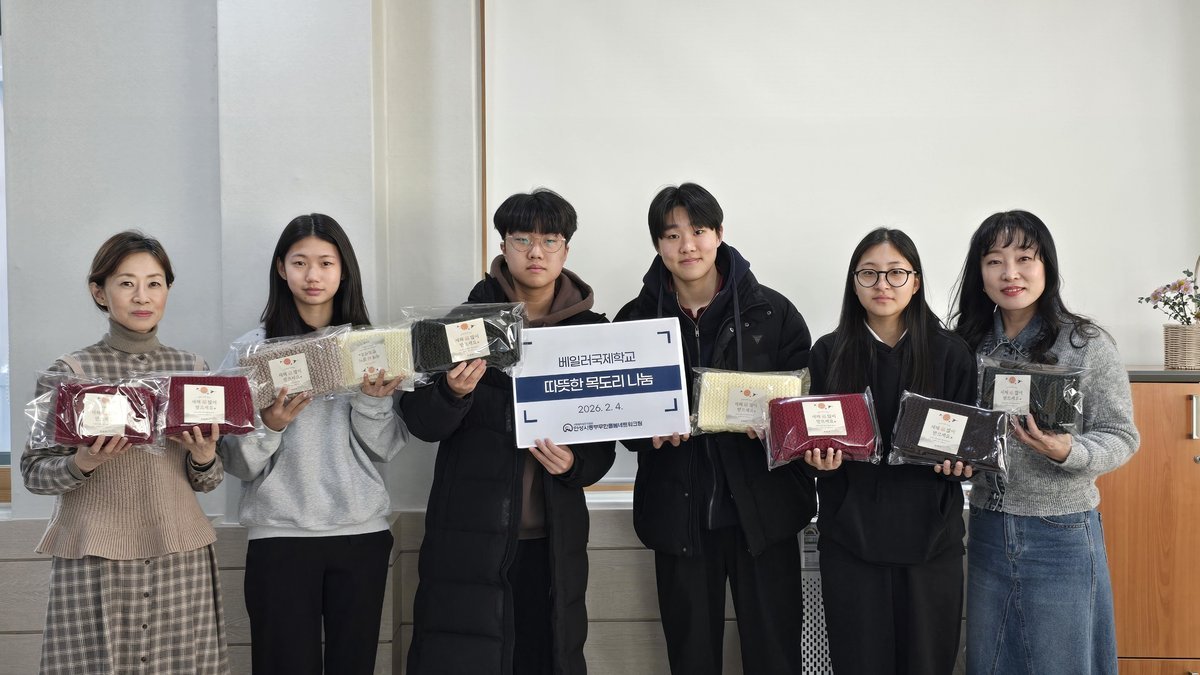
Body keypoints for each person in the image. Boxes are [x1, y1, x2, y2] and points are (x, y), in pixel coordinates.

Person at [403, 189, 616, 675]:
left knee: (547, 656)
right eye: (522, 239)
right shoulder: (461, 324)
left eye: (549, 240)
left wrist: (576, 464)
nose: (535, 251)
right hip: (470, 536)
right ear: (503, 246)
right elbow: (421, 423)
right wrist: (452, 394)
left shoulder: (592, 333)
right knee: (467, 659)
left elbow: (604, 439)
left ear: (565, 250)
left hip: (554, 540)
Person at [614, 183, 814, 674]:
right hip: (677, 517)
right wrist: (647, 431)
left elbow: (807, 409)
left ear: (719, 234)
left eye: (699, 231)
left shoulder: (773, 313)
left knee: (776, 657)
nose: (688, 245)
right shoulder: (635, 320)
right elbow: (621, 416)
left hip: (765, 517)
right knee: (691, 659)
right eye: (672, 235)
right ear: (658, 244)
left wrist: (778, 428)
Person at [22, 231, 229, 674]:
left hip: (180, 555)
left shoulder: (193, 371)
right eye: (126, 283)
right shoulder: (68, 373)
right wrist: (83, 462)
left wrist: (205, 456)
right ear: (99, 292)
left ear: (168, 290)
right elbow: (34, 473)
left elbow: (209, 480)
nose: (142, 296)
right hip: (94, 558)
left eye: (154, 283)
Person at [218, 213, 408, 674]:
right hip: (278, 537)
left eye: (326, 262)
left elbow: (385, 448)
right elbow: (237, 463)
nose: (313, 275)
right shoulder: (249, 352)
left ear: (344, 270)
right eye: (300, 262)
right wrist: (271, 426)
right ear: (281, 268)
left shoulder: (373, 346)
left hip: (361, 533)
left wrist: (371, 403)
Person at [951, 210, 1139, 675]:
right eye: (994, 261)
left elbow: (1121, 435)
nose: (1010, 273)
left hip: (1061, 532)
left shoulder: (1085, 343)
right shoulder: (967, 346)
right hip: (988, 528)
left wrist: (1068, 451)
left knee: (1064, 663)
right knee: (990, 663)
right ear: (980, 274)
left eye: (1024, 258)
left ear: (1047, 267)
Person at [802, 227, 975, 675]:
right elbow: (813, 439)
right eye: (869, 274)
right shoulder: (829, 352)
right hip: (851, 542)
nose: (883, 284)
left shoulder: (951, 353)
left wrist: (964, 465)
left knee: (928, 663)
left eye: (896, 273)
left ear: (915, 282)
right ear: (853, 283)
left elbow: (969, 445)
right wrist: (818, 461)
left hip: (931, 542)